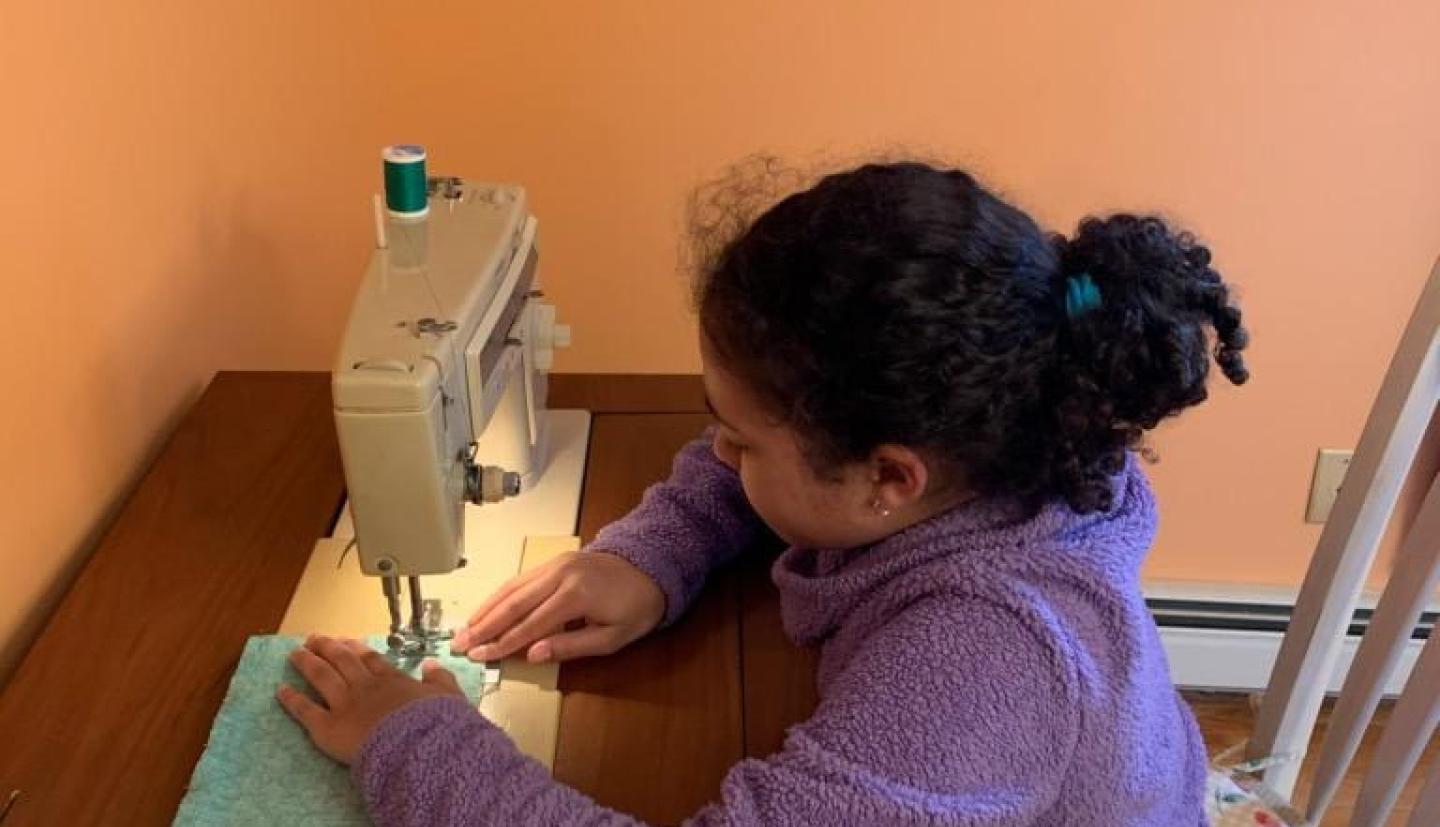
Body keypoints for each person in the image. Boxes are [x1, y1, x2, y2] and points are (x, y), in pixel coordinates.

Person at [278, 159, 1250, 825]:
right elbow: (769, 469)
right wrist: (649, 553)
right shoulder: (1011, 427)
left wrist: (412, 741)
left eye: (740, 438)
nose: (720, 451)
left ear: (888, 475)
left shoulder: (981, 656)